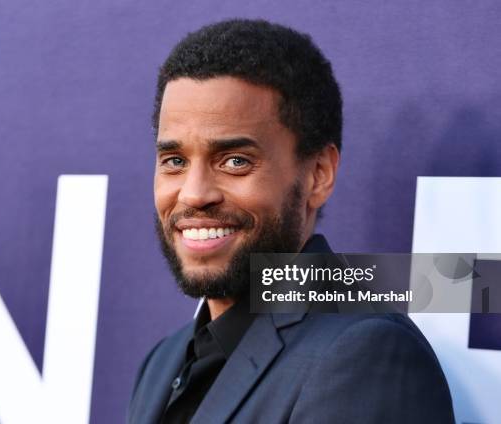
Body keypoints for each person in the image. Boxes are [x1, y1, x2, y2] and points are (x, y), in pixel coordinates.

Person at [128, 19, 454, 423]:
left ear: (318, 174)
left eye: (235, 161)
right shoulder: (161, 363)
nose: (194, 194)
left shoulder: (364, 351)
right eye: (174, 161)